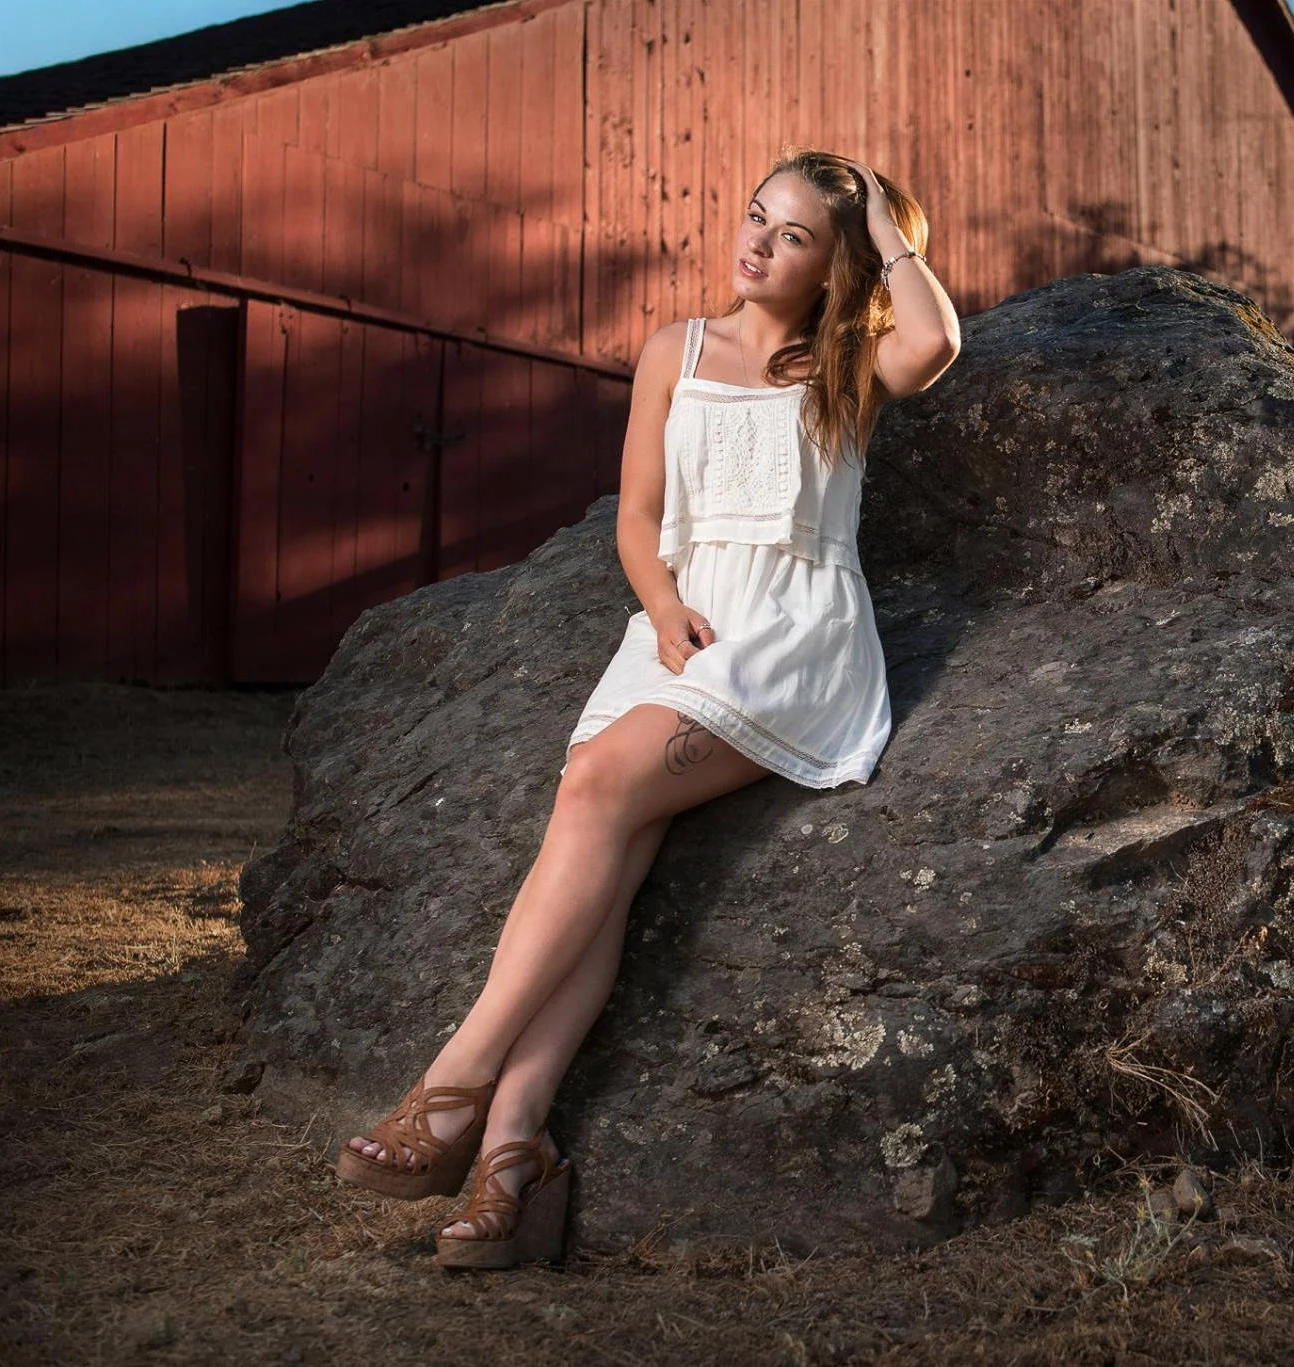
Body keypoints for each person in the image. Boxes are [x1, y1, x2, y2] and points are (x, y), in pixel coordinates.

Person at [331, 147, 961, 1270]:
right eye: (756, 215)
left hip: (787, 637)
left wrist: (885, 231)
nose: (757, 241)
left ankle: (451, 1084)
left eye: (794, 235)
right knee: (605, 860)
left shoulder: (846, 360)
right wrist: (663, 609)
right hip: (677, 631)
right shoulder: (672, 349)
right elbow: (635, 516)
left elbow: (936, 344)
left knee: (593, 786)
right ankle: (516, 1159)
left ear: (836, 264)